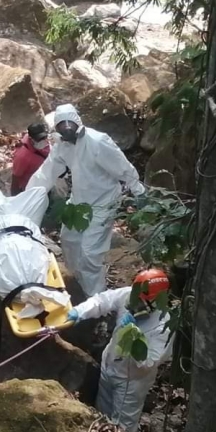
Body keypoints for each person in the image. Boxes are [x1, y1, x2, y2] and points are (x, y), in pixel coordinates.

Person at [27, 103, 145, 297]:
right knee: (69, 240)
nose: (66, 128)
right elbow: (46, 173)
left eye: (69, 123)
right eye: (61, 125)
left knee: (90, 253)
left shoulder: (98, 142)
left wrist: (138, 191)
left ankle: (96, 298)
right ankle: (77, 284)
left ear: (77, 123)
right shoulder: (62, 146)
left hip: (103, 202)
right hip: (79, 202)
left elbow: (123, 167)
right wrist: (27, 197)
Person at [66, 268, 173, 432]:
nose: (135, 302)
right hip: (109, 365)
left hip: (131, 381)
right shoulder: (128, 295)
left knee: (123, 429)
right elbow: (103, 300)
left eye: (141, 300)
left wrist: (133, 335)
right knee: (101, 414)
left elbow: (149, 363)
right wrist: (79, 312)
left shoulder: (162, 326)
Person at [11, 122, 51, 195]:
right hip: (32, 188)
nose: (43, 141)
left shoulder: (43, 143)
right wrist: (14, 198)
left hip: (45, 179)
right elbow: (15, 178)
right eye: (39, 139)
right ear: (31, 139)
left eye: (44, 137)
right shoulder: (22, 157)